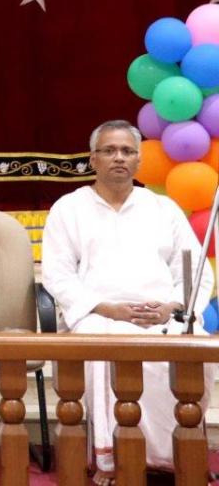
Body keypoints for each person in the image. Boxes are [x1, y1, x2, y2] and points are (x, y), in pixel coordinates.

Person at [42, 120, 216, 485]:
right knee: (101, 344)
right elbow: (58, 275)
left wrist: (173, 307)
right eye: (109, 150)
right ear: (93, 159)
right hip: (99, 314)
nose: (118, 157)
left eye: (127, 151)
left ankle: (176, 457)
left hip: (162, 313)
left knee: (192, 343)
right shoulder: (68, 208)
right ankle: (116, 460)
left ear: (139, 160)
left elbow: (197, 273)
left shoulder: (163, 208)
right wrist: (107, 309)